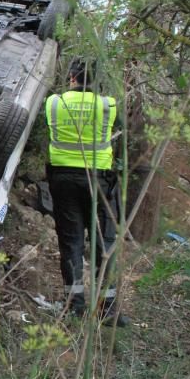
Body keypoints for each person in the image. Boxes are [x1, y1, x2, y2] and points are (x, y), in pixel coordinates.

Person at [45, 59, 128, 327]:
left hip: (63, 179)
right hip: (98, 181)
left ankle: (74, 306)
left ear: (71, 78)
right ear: (98, 80)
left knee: (71, 242)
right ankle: (108, 309)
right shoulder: (108, 105)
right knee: (105, 243)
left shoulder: (54, 103)